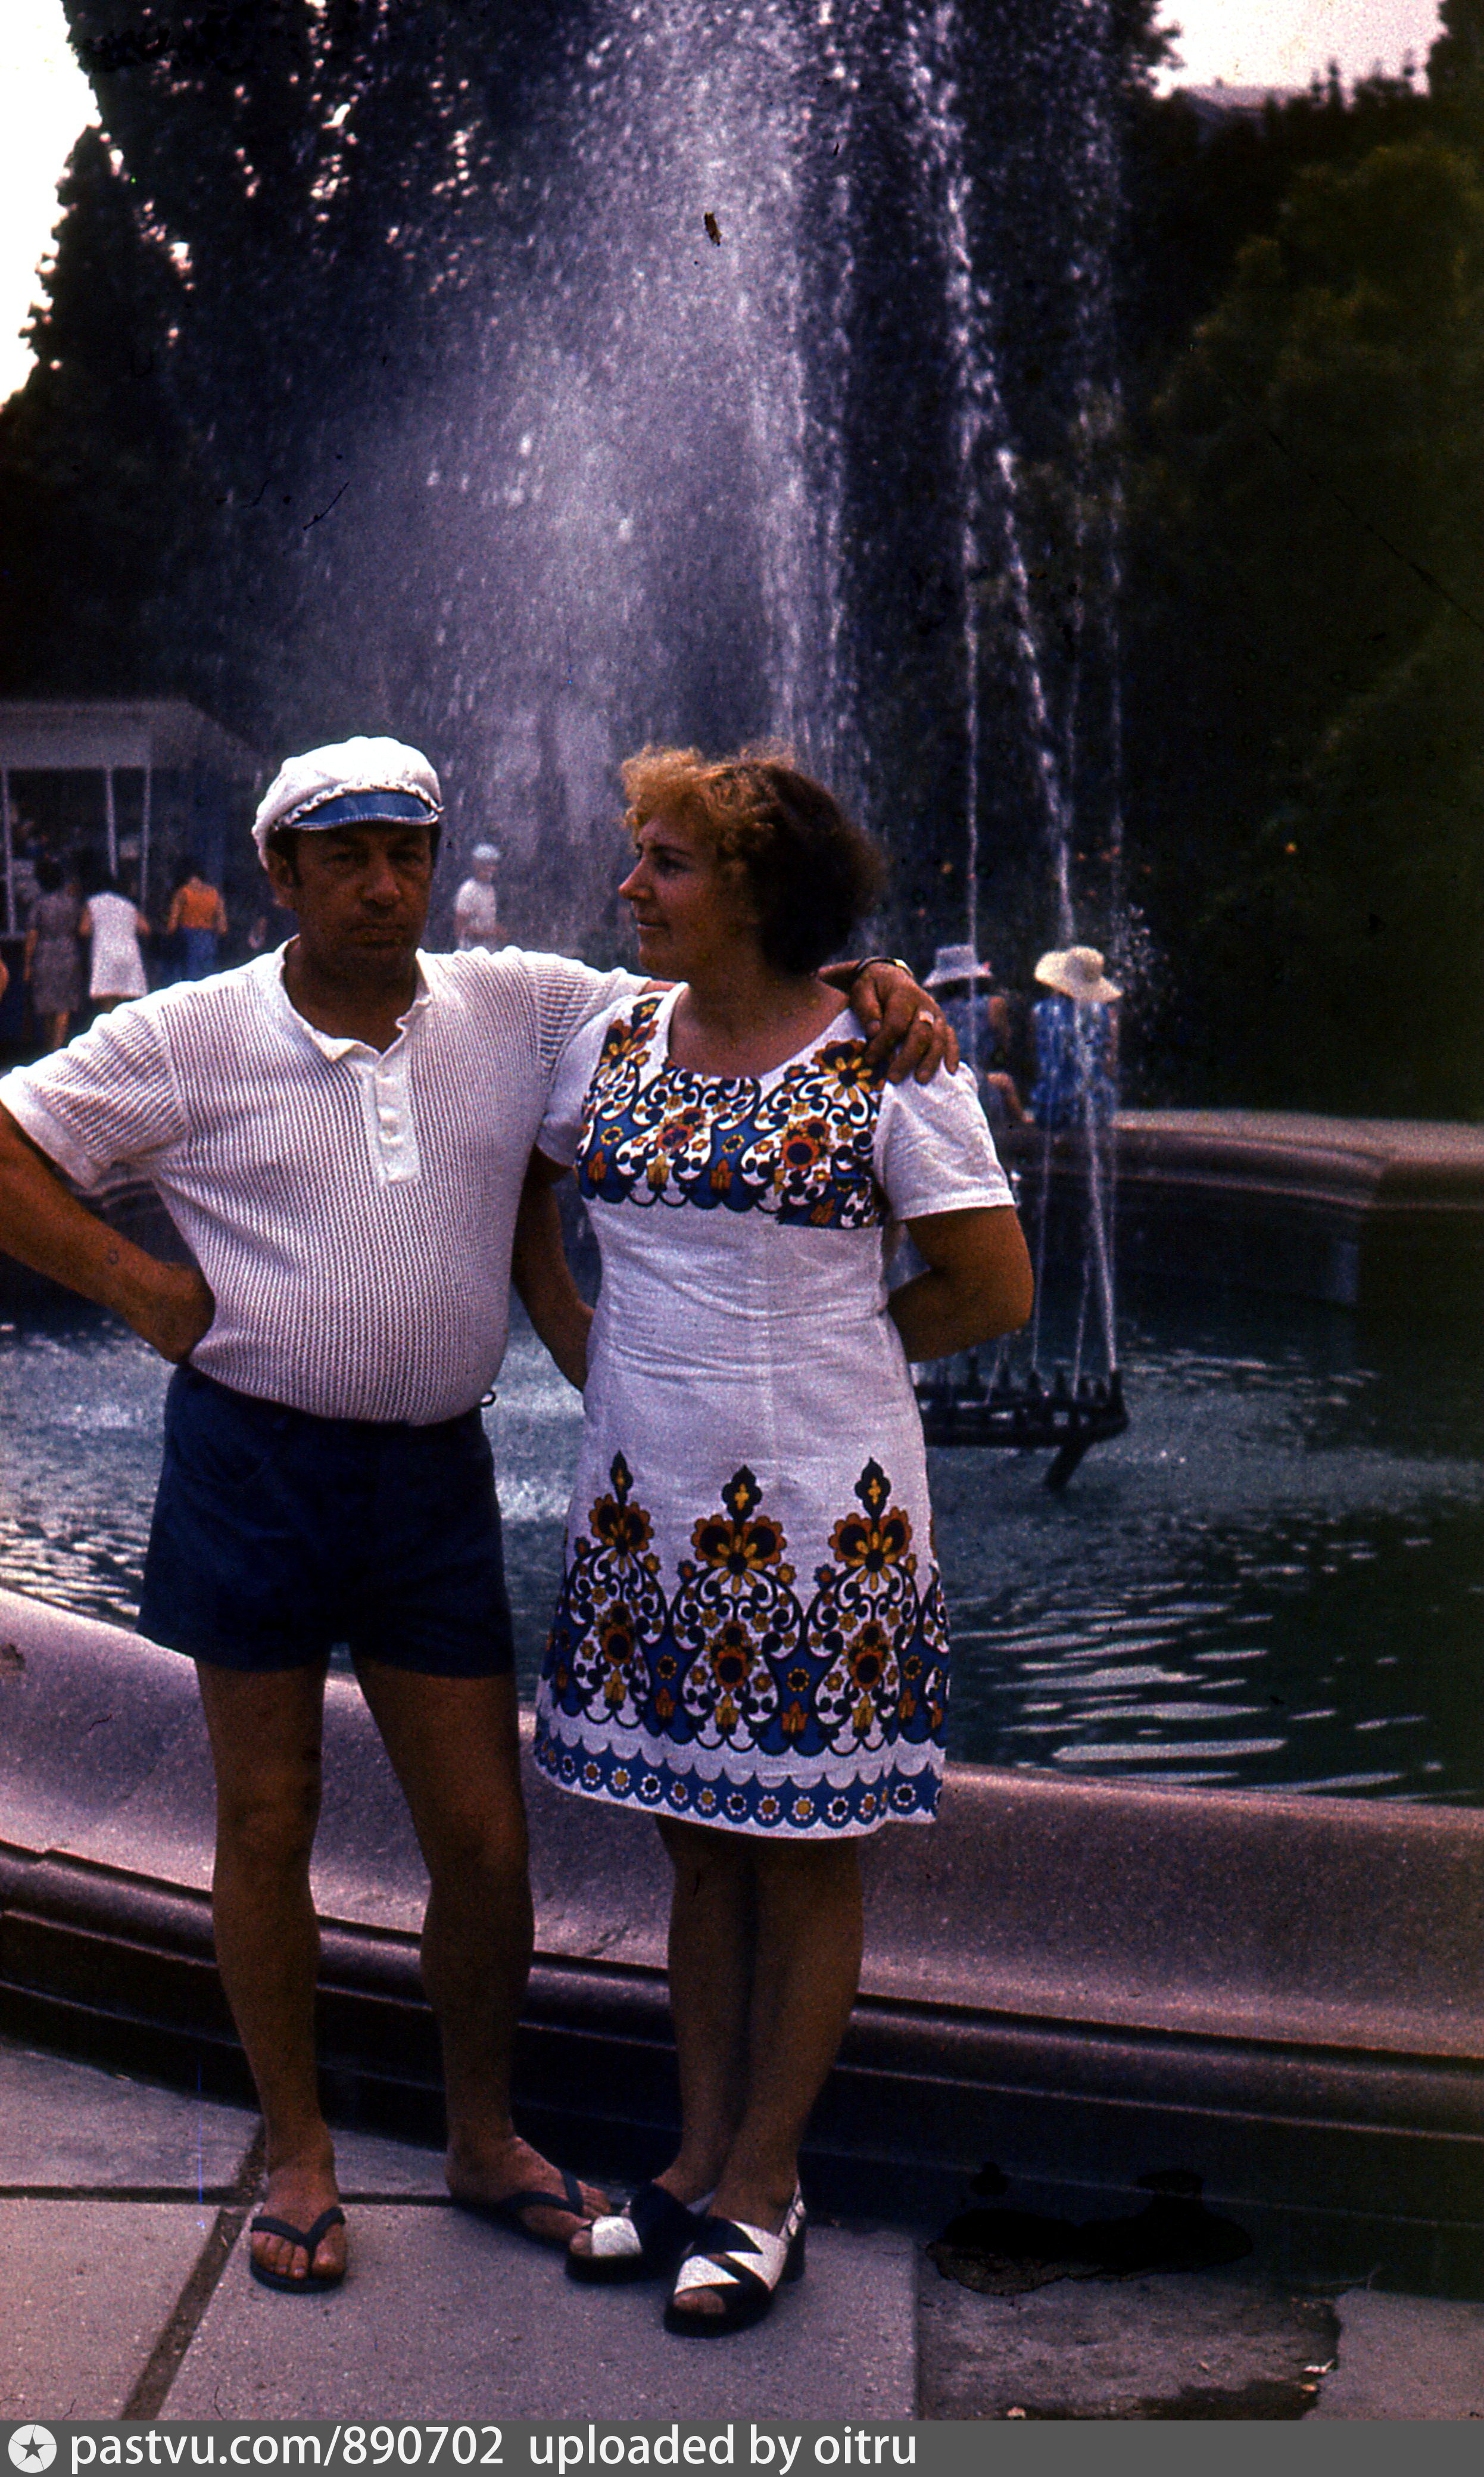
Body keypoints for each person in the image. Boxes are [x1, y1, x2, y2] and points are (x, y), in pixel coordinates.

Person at [0, 734, 951, 2300]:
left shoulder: (520, 1005)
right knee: (265, 1817)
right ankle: (298, 2149)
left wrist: (869, 981)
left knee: (485, 1835)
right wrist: (138, 1284)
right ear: (280, 873)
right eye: (347, 858)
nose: (386, 886)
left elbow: (731, 984)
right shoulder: (188, 1031)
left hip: (430, 1471)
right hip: (251, 1466)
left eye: (409, 854)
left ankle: (481, 2134)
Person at [528, 747, 1033, 2336]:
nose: (631, 886)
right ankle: (693, 2159)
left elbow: (994, 1285)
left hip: (823, 1530)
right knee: (695, 1840)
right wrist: (584, 1342)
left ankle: (764, 2183)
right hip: (647, 1518)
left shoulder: (889, 1057)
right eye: (640, 856)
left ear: (755, 892)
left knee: (805, 1850)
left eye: (667, 862)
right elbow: (523, 1197)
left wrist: (835, 1355)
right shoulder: (610, 1035)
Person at [927, 941, 1027, 1128]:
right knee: (1005, 1084)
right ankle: (1024, 1129)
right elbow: (1005, 1046)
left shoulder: (931, 1010)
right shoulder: (993, 1005)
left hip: (937, 1086)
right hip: (977, 1082)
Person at [1031, 945, 1121, 1135]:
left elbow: (1038, 1060)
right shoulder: (1107, 1015)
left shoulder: (1039, 1012)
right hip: (1094, 1110)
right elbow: (1110, 1066)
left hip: (1049, 1108)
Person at [23, 858, 83, 1051]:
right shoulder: (73, 903)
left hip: (44, 953)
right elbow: (80, 928)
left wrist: (27, 964)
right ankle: (58, 1047)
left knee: (46, 1005)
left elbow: (32, 935)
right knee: (64, 1006)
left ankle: (50, 1048)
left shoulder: (38, 904)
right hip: (69, 952)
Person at [80, 869, 149, 1010]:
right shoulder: (128, 904)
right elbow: (145, 928)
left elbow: (84, 930)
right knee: (129, 998)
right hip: (129, 953)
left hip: (105, 953)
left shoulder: (92, 903)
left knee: (107, 999)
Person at [166, 858, 229, 980]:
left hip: (186, 938)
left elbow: (172, 925)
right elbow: (223, 928)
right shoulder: (214, 893)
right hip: (208, 939)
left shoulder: (183, 892)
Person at [454, 842, 503, 949]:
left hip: (489, 952)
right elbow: (460, 928)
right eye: (486, 864)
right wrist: (490, 933)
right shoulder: (468, 890)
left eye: (493, 864)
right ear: (476, 865)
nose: (491, 869)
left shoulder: (490, 889)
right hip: (470, 953)